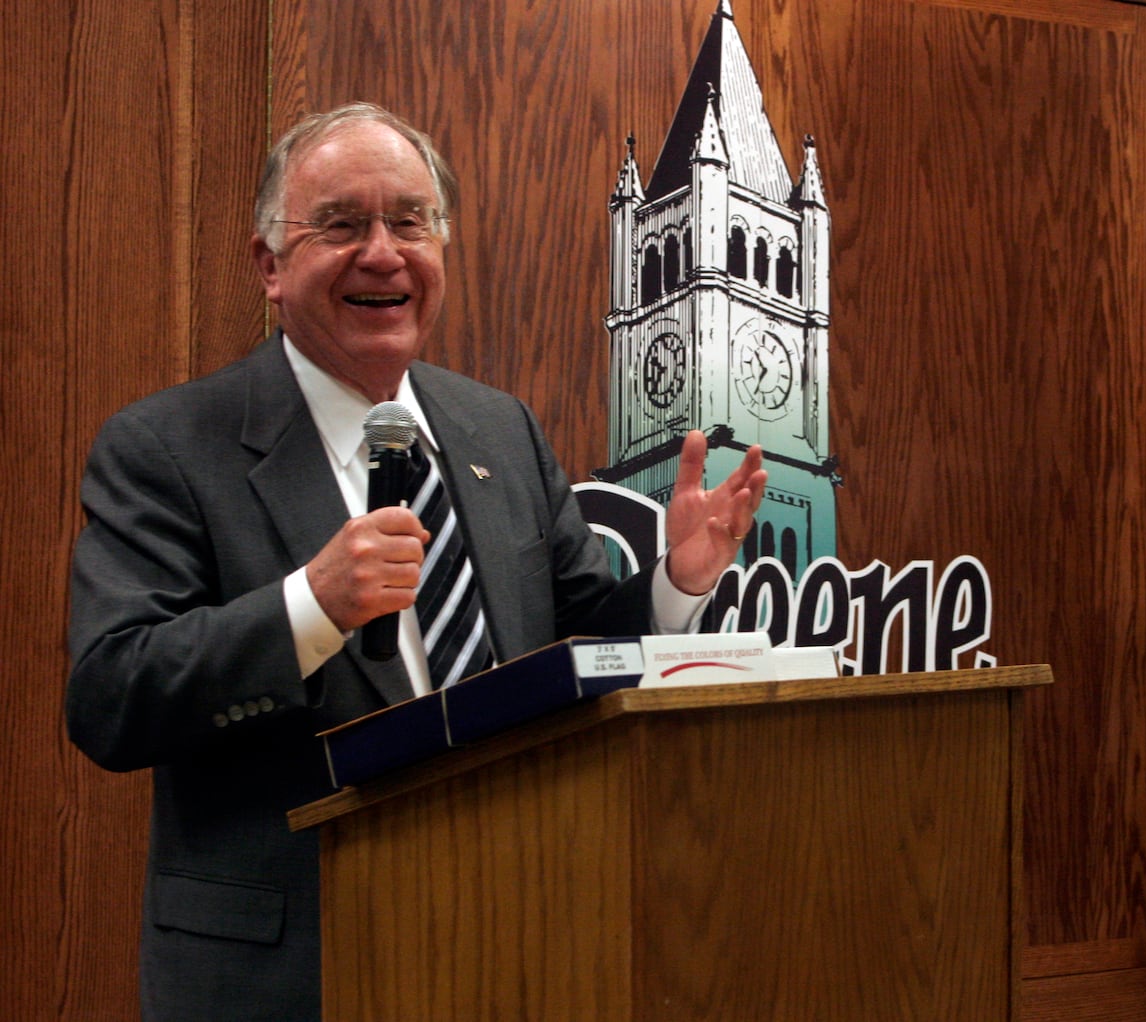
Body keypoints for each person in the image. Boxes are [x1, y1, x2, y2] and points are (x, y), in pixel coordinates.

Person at [66, 102, 766, 1021]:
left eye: (411, 221)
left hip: (521, 943)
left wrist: (678, 580)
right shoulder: (165, 447)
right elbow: (111, 698)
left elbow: (576, 649)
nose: (384, 252)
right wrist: (308, 607)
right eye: (342, 224)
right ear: (269, 267)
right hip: (289, 976)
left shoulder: (497, 429)